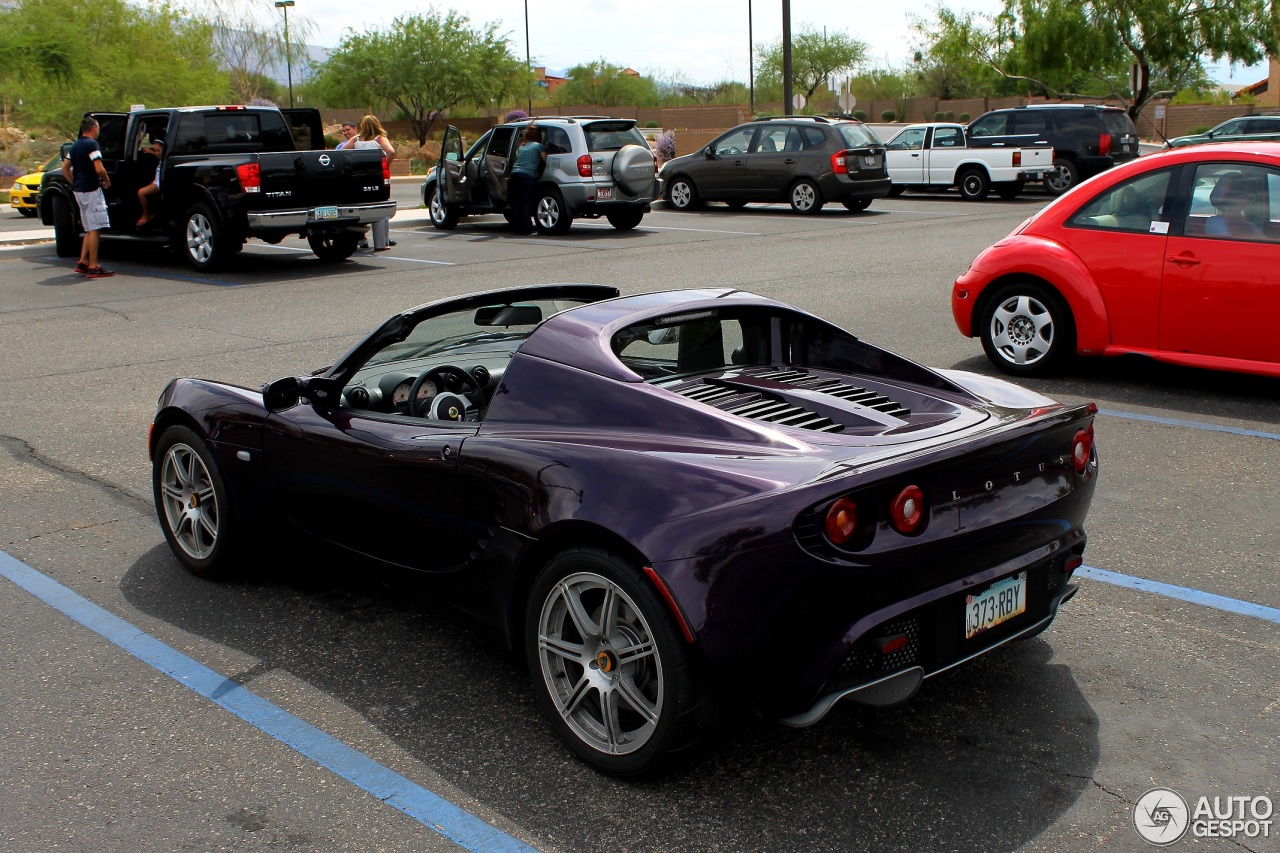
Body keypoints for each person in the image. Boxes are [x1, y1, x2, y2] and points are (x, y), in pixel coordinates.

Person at [62, 116, 114, 278]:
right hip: (91, 190)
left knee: (88, 228)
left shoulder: (75, 145)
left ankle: (83, 261)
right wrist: (106, 180)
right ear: (93, 128)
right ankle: (93, 266)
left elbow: (65, 168)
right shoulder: (92, 145)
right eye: (97, 128)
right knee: (95, 228)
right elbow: (99, 168)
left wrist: (74, 182)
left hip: (79, 190)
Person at [352, 115, 397, 250]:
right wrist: (384, 165)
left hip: (358, 177)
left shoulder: (356, 140)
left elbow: (341, 151)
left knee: (360, 206)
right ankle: (382, 243)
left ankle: (360, 239)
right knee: (380, 205)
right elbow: (391, 152)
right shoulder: (380, 139)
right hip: (377, 177)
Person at [508, 123, 546, 235]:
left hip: (515, 174)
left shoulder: (522, 146)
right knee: (526, 202)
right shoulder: (539, 146)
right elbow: (546, 161)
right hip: (527, 175)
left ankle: (517, 228)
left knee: (518, 202)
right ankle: (527, 229)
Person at [1205, 172, 1265, 239]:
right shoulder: (1215, 223)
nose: (1248, 200)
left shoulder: (1251, 226)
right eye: (1244, 195)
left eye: (1250, 197)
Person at [136, 138, 163, 227]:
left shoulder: (164, 158)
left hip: (160, 183)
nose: (157, 153)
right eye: (155, 151)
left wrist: (151, 152)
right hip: (156, 181)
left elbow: (161, 156)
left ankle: (146, 214)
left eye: (159, 150)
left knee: (141, 192)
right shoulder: (157, 159)